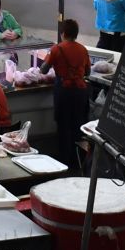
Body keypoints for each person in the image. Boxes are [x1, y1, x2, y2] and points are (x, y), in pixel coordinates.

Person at [41, 19, 91, 167]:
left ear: (62, 34)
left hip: (64, 91)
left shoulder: (57, 49)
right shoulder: (83, 49)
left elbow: (44, 69)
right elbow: (88, 71)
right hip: (81, 91)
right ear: (76, 34)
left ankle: (63, 161)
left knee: (64, 126)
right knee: (78, 125)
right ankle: (79, 161)